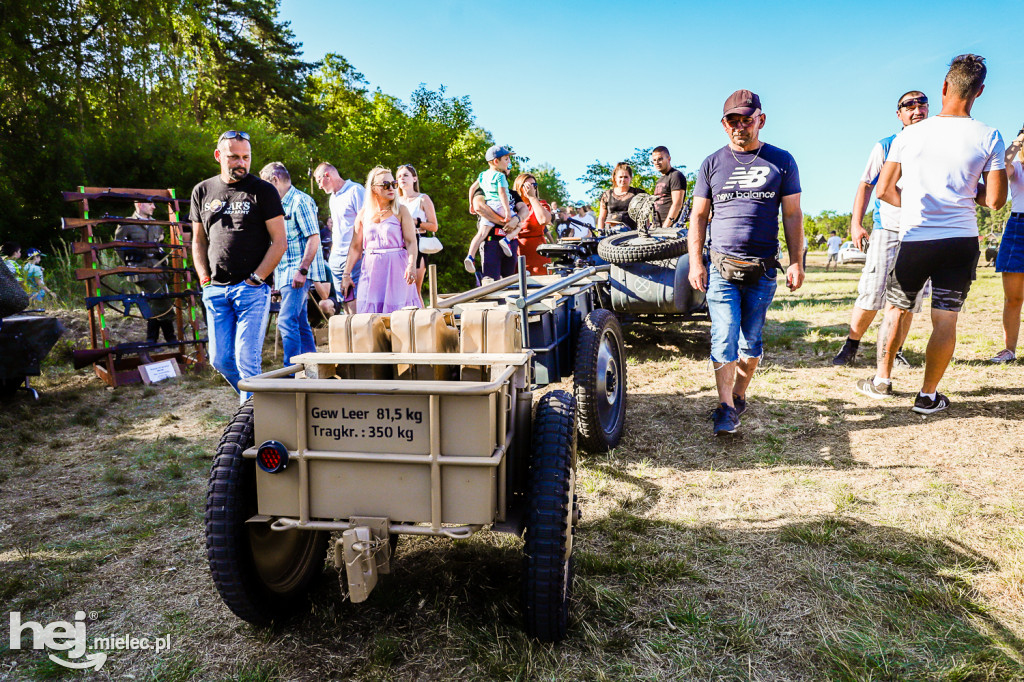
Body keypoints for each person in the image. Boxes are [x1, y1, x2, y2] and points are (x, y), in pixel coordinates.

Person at [864, 54, 1006, 414]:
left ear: (944, 87)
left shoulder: (910, 134)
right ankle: (928, 395)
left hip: (916, 237)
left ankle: (882, 379)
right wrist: (964, 194)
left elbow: (882, 190)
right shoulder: (989, 135)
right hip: (960, 241)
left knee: (897, 309)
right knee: (945, 318)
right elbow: (994, 200)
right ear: (980, 92)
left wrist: (911, 204)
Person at [687, 89, 805, 436]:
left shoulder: (782, 161)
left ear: (761, 121)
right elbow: (698, 216)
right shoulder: (711, 163)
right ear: (724, 126)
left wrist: (796, 261)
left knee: (750, 342)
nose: (740, 126)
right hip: (722, 266)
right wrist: (696, 261)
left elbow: (793, 214)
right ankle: (724, 408)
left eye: (746, 119)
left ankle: (739, 395)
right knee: (723, 336)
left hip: (763, 268)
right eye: (732, 121)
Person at [833, 91, 931, 367]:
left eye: (921, 103)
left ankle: (894, 350)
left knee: (909, 298)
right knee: (872, 290)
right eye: (908, 105)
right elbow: (865, 185)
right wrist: (856, 223)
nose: (916, 109)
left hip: (922, 232)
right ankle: (851, 345)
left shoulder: (935, 145)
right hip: (887, 228)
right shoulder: (886, 145)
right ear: (898, 114)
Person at [189, 130, 286, 402]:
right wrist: (204, 279)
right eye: (234, 157)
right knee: (220, 360)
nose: (241, 162)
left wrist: (257, 279)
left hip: (251, 290)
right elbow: (198, 242)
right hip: (216, 291)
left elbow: (279, 242)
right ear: (219, 156)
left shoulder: (263, 191)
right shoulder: (203, 191)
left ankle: (251, 423)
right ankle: (261, 406)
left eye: (246, 157)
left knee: (247, 362)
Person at [259, 161, 326, 366]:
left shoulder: (300, 201)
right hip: (284, 271)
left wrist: (302, 271)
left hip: (297, 272)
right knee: (299, 322)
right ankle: (313, 367)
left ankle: (291, 370)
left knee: (287, 321)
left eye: (265, 185)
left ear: (275, 180)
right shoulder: (279, 204)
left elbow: (313, 238)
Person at [341, 167, 420, 314]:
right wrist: (346, 274)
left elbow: (411, 241)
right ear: (374, 189)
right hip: (371, 269)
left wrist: (411, 265)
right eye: (385, 185)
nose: (391, 188)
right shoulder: (363, 214)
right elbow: (355, 248)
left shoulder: (401, 210)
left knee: (399, 313)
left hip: (397, 268)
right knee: (370, 314)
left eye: (394, 184)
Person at [115, 200, 177, 344]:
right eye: (150, 204)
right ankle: (170, 337)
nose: (154, 207)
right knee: (160, 300)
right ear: (139, 205)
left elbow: (159, 244)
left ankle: (153, 340)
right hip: (140, 270)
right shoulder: (127, 224)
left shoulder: (156, 224)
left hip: (158, 269)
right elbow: (118, 246)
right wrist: (130, 261)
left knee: (154, 303)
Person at [988, 126, 1024, 363]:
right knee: (1013, 298)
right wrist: (1017, 142)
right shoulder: (1017, 167)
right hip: (1018, 229)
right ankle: (1009, 350)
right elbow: (1001, 166)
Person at [314, 162, 364, 314]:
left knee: (355, 302)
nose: (319, 187)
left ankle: (360, 336)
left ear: (327, 176)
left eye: (318, 181)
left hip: (354, 256)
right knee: (344, 302)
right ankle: (349, 336)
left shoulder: (356, 190)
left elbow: (366, 224)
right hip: (336, 258)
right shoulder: (333, 198)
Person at [465, 145, 519, 273]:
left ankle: (470, 256)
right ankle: (506, 240)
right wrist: (507, 212)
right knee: (518, 224)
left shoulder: (482, 175)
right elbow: (502, 195)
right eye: (506, 160)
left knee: (481, 234)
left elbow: (472, 189)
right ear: (496, 161)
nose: (508, 163)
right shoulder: (500, 177)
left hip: (489, 205)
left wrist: (470, 204)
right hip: (499, 205)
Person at [396, 164, 439, 303]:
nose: (402, 178)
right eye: (399, 176)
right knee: (399, 291)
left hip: (417, 242)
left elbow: (434, 226)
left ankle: (423, 323)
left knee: (414, 290)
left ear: (414, 179)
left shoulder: (423, 198)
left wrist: (416, 222)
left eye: (406, 175)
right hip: (398, 245)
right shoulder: (395, 201)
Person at [512, 172, 553, 275]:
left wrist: (532, 197)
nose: (531, 188)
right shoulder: (512, 207)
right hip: (516, 256)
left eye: (534, 185)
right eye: (527, 186)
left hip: (537, 257)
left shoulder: (540, 204)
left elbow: (544, 220)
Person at [597, 162, 647, 232]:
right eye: (620, 177)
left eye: (626, 177)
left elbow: (645, 216)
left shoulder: (638, 194)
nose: (623, 180)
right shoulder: (607, 195)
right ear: (615, 178)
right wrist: (600, 233)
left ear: (630, 178)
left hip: (631, 234)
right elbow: (601, 217)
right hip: (609, 235)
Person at [651, 146, 687, 228]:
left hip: (669, 229)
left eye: (660, 159)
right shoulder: (659, 180)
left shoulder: (675, 176)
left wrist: (665, 227)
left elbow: (677, 204)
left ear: (669, 158)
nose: (656, 162)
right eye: (654, 160)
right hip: (656, 228)